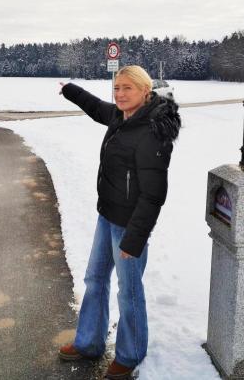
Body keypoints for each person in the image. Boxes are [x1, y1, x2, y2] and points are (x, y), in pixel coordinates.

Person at [56, 65, 181, 379]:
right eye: (117, 88)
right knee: (94, 279)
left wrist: (135, 239)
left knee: (129, 291)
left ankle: (129, 354)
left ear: (144, 90)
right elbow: (96, 107)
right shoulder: (121, 117)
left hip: (129, 225)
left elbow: (153, 195)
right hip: (107, 215)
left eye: (128, 88)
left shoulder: (151, 131)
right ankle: (89, 342)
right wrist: (69, 89)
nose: (120, 94)